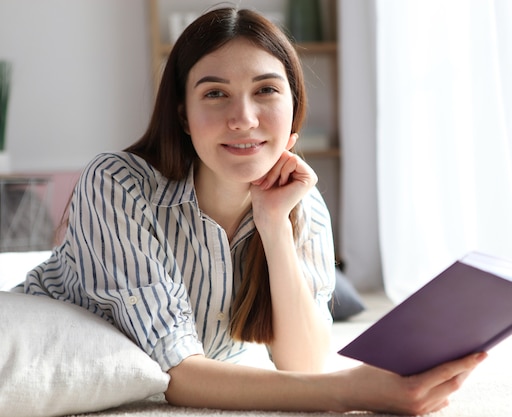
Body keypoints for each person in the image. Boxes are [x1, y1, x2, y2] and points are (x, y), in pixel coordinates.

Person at [21, 7, 485, 415]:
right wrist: (350, 391)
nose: (243, 118)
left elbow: (302, 364)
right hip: (39, 354)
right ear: (183, 114)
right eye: (215, 94)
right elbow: (180, 377)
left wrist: (273, 224)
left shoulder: (300, 200)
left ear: (293, 105)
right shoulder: (119, 182)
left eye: (266, 90)